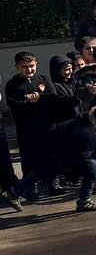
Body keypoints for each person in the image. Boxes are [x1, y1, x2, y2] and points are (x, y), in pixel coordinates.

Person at [10, 104, 96, 212]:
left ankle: (13, 193)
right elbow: (83, 160)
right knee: (90, 166)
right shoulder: (84, 132)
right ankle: (84, 201)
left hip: (67, 152)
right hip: (53, 151)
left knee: (44, 172)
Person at [5, 52, 52, 181]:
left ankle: (53, 181)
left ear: (36, 63)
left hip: (45, 125)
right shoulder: (12, 84)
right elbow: (13, 105)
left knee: (49, 153)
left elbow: (54, 99)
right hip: (26, 127)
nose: (29, 70)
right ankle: (31, 185)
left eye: (31, 66)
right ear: (17, 67)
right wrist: (28, 101)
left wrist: (40, 98)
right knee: (29, 156)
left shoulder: (44, 79)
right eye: (24, 67)